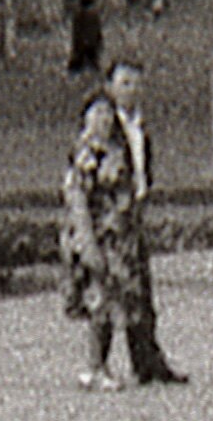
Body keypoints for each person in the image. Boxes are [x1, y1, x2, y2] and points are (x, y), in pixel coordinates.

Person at [62, 63, 185, 388]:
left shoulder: (135, 129)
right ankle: (96, 367)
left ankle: (145, 361)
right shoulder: (92, 145)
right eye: (124, 82)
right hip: (102, 232)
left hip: (126, 227)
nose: (131, 89)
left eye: (136, 83)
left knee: (135, 293)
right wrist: (86, 240)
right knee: (102, 298)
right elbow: (78, 195)